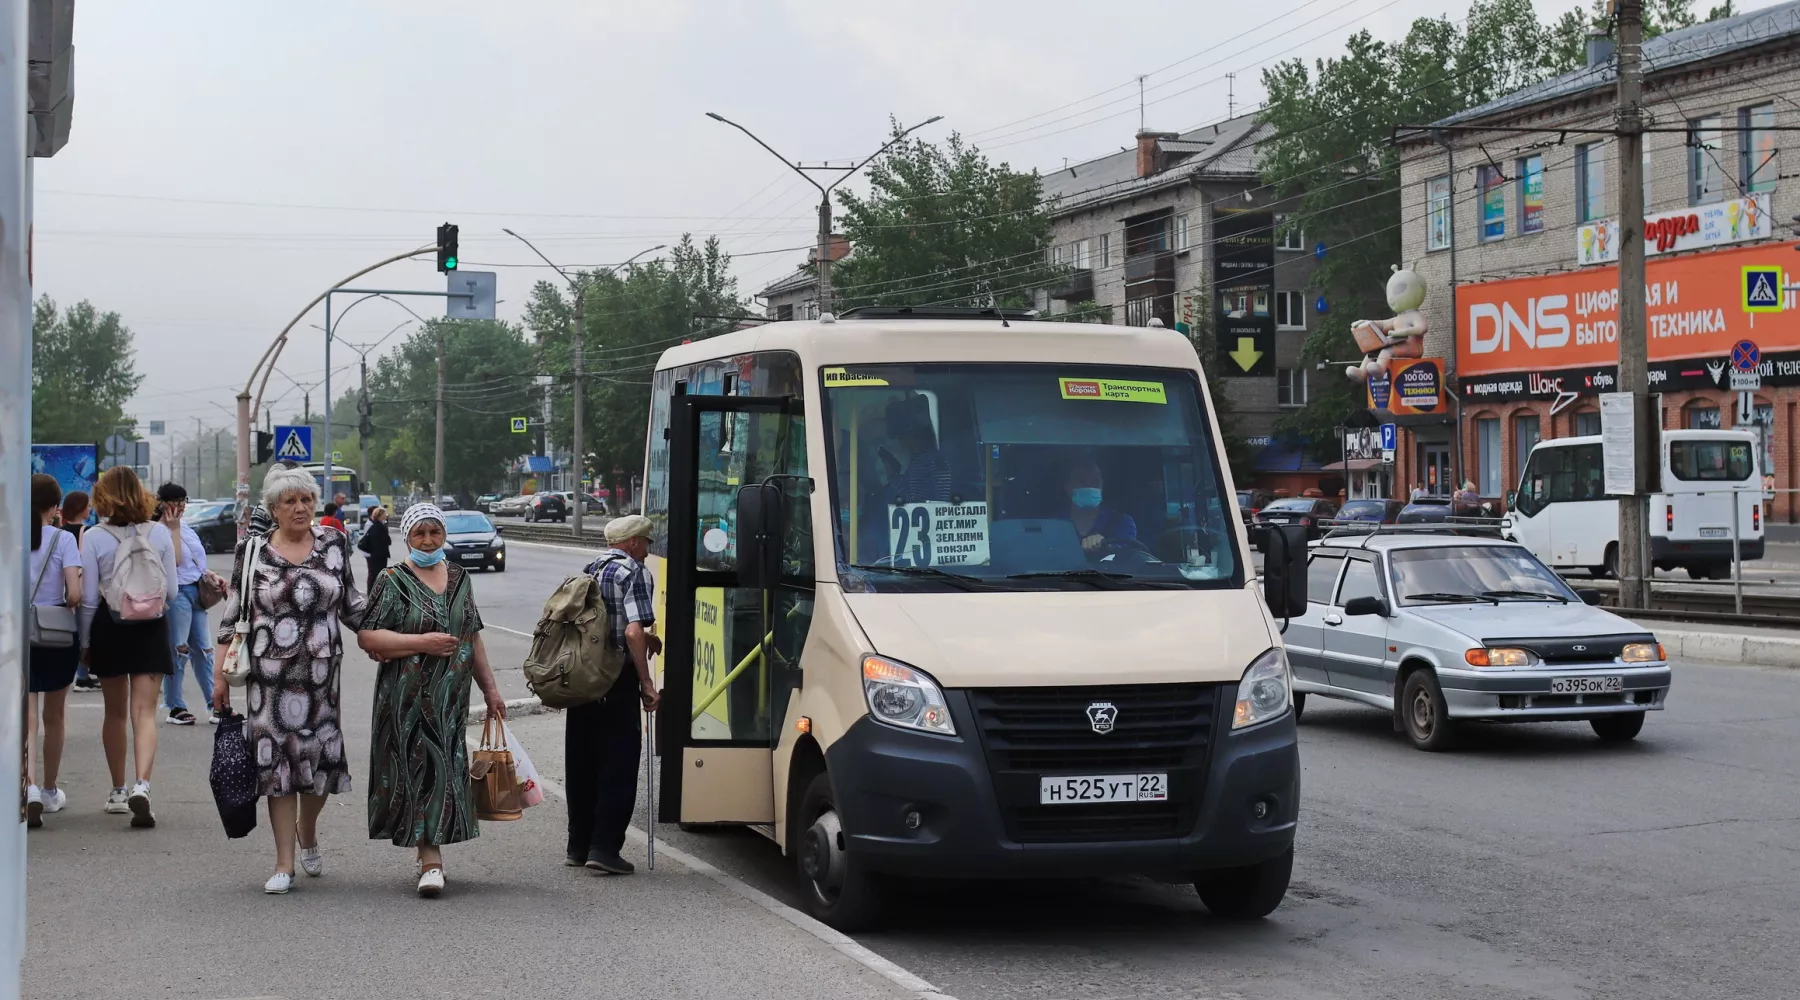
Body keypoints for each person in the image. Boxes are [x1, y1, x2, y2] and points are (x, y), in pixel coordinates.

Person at [213, 465, 366, 894]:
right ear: (274, 509)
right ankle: (284, 864)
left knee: (319, 765)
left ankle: (307, 830)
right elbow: (233, 616)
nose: (300, 508)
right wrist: (220, 679)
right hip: (269, 680)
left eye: (306, 500)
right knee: (276, 768)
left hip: (320, 682)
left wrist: (393, 635)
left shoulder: (334, 543)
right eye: (290, 502)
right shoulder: (253, 550)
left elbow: (353, 605)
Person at [357, 504, 506, 898]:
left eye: (434, 533)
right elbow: (368, 637)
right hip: (406, 697)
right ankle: (431, 860)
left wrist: (491, 691)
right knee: (420, 768)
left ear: (443, 536)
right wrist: (422, 643)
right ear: (407, 537)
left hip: (452, 699)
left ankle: (427, 846)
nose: (427, 541)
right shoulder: (392, 579)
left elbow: (472, 637)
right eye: (419, 534)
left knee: (446, 768)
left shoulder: (459, 578)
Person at [79, 466, 178, 828]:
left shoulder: (93, 537)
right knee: (145, 713)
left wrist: (85, 641)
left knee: (115, 713)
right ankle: (143, 784)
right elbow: (172, 592)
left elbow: (89, 599)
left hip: (110, 626)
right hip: (151, 626)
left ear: (103, 497)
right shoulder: (161, 533)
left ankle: (118, 791)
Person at [566, 514, 662, 875]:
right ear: (635, 542)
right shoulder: (633, 571)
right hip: (615, 679)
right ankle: (605, 849)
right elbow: (633, 632)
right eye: (647, 543)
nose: (648, 550)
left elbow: (603, 625)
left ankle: (579, 845)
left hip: (582, 678)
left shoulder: (590, 568)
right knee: (618, 763)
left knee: (583, 761)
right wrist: (646, 683)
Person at [26, 474, 82, 828]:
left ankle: (27, 785)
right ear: (55, 507)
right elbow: (75, 594)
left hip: (18, 636)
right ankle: (48, 790)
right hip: (56, 636)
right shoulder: (64, 540)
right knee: (55, 717)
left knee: (25, 716)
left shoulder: (11, 537)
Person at [155, 483, 218, 726]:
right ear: (162, 503)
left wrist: (210, 575)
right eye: (175, 502)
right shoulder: (158, 530)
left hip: (195, 592)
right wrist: (172, 529)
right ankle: (175, 706)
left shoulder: (186, 526)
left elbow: (195, 561)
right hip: (176, 593)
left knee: (204, 650)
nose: (180, 506)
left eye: (184, 501)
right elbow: (176, 561)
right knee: (178, 650)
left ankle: (215, 704)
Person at [60, 490, 100, 691]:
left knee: (70, 632)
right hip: (82, 585)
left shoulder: (61, 531)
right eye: (87, 505)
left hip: (64, 586)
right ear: (80, 508)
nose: (90, 508)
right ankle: (82, 675)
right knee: (85, 631)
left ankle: (77, 673)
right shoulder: (89, 531)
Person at [1063, 460, 1137, 556]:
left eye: (1095, 482)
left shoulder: (1122, 522)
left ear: (1102, 486)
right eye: (1082, 482)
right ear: (1068, 487)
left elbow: (1128, 557)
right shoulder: (1053, 526)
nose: (1089, 486)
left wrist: (1106, 545)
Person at [358, 505, 391, 587]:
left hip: (374, 554)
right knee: (374, 575)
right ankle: (372, 593)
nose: (386, 516)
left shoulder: (376, 525)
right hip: (377, 555)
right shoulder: (376, 526)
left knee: (373, 574)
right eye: (384, 514)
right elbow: (386, 540)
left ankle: (372, 593)